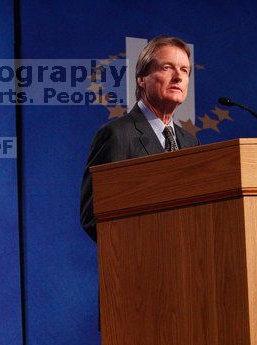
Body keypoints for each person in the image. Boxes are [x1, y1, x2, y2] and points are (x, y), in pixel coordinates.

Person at [80, 36, 200, 241]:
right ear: (141, 79)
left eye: (184, 70)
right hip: (139, 262)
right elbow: (93, 216)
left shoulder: (190, 142)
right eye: (167, 68)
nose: (178, 77)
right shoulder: (117, 135)